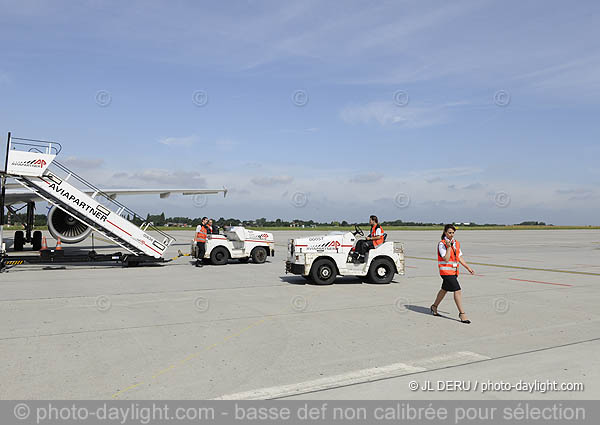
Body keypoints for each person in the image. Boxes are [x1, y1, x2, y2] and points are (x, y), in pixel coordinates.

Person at [430, 224, 475, 324]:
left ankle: (434, 306)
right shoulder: (442, 244)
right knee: (457, 290)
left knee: (444, 290)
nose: (451, 234)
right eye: (449, 232)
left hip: (454, 271)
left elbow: (459, 257)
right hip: (446, 272)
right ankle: (462, 314)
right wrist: (449, 247)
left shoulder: (456, 243)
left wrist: (468, 268)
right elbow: (446, 259)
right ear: (445, 232)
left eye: (453, 233)